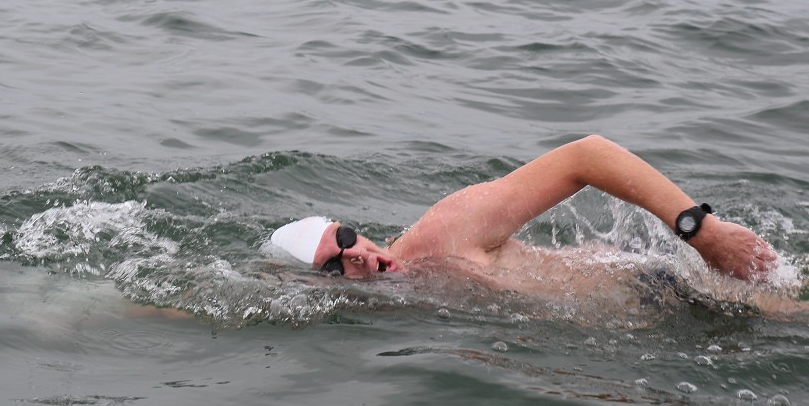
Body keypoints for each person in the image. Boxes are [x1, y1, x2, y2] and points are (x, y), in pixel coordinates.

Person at [271, 135, 777, 285]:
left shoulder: (444, 232)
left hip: (675, 287)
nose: (355, 256)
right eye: (333, 268)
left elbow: (587, 155)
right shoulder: (410, 296)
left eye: (344, 239)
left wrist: (702, 231)